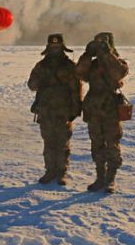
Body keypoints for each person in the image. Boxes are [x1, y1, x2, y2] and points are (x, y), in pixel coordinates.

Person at [76, 32, 129, 193]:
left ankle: (111, 178)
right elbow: (80, 73)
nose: (99, 47)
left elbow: (117, 73)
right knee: (96, 144)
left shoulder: (119, 62)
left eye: (103, 44)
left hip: (111, 109)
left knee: (112, 143)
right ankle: (100, 177)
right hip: (93, 109)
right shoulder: (93, 64)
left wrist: (107, 54)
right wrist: (86, 55)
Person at [27, 34, 82, 186]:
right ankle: (50, 171)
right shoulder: (41, 66)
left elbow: (76, 89)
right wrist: (39, 81)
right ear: (48, 47)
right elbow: (31, 85)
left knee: (62, 142)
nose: (55, 49)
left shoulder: (70, 66)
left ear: (63, 47)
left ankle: (62, 172)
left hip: (64, 111)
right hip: (46, 110)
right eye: (53, 46)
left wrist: (76, 109)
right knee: (48, 142)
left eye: (58, 47)